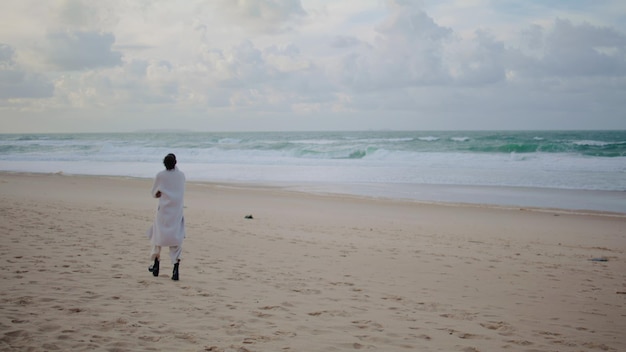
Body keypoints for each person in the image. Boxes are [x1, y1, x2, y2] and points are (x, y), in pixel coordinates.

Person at [146, 153, 186, 281]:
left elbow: (154, 193)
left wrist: (162, 193)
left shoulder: (161, 175)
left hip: (164, 210)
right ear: (176, 162)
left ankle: (156, 265)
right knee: (176, 238)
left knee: (158, 236)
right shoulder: (181, 175)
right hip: (176, 211)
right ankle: (175, 268)